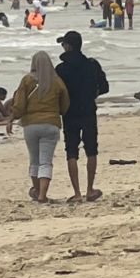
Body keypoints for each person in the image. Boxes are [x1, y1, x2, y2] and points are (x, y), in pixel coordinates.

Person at [7, 51, 69, 202]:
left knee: (34, 160)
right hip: (51, 124)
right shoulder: (57, 81)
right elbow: (65, 104)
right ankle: (42, 195)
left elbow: (20, 104)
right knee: (46, 162)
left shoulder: (27, 80)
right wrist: (56, 112)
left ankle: (36, 191)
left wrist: (11, 118)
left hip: (31, 125)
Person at [55, 30, 109, 202]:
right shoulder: (92, 65)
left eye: (63, 44)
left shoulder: (61, 69)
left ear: (69, 46)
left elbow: (57, 92)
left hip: (69, 113)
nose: (62, 47)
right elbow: (105, 87)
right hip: (88, 111)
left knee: (71, 151)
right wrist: (92, 94)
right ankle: (90, 189)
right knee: (91, 149)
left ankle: (77, 193)